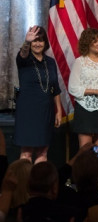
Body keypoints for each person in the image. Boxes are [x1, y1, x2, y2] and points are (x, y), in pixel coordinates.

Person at [15, 26, 63, 163]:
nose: (37, 44)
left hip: (46, 111)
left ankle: (39, 184)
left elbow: (55, 89)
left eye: (40, 41)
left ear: (45, 43)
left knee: (43, 153)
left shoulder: (51, 62)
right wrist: (26, 42)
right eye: (34, 41)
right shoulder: (24, 59)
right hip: (27, 112)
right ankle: (24, 184)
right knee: (26, 153)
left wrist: (58, 110)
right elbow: (23, 53)